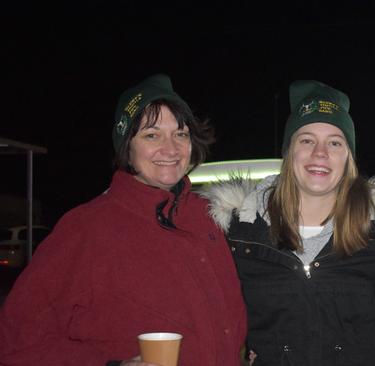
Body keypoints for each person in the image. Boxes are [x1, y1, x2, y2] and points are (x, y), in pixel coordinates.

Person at [0, 74, 247, 365]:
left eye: (180, 134)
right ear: (127, 147)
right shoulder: (86, 228)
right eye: (151, 135)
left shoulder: (209, 220)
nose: (170, 149)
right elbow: (15, 341)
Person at [201, 80, 375, 366]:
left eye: (335, 142)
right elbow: (216, 323)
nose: (320, 152)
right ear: (290, 152)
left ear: (348, 157)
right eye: (307, 140)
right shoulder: (241, 234)